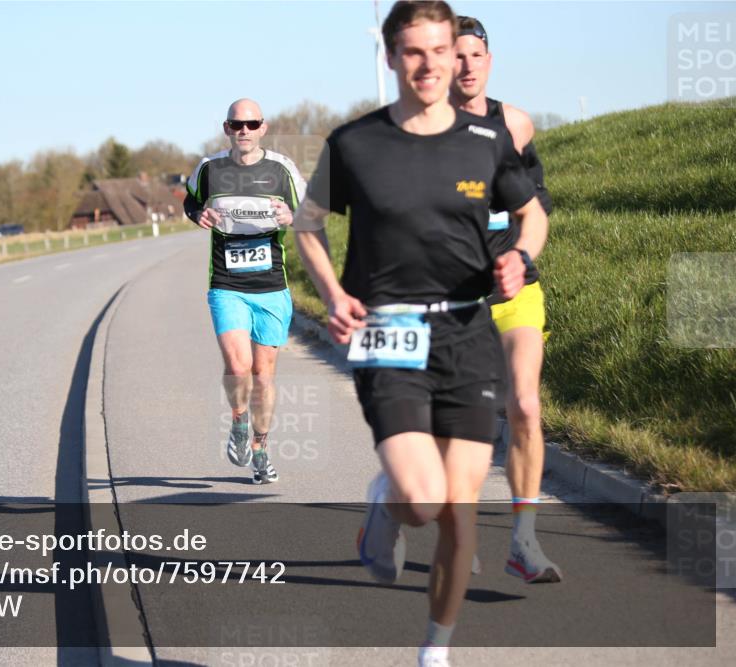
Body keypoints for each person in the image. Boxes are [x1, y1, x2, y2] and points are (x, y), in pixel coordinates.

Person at [292, 2, 546, 665]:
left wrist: (519, 256)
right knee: (425, 501)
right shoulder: (353, 144)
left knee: (460, 508)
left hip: (467, 333)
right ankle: (388, 499)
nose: (430, 64)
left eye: (441, 50)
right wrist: (334, 293)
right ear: (391, 57)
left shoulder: (487, 141)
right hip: (389, 331)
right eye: (414, 51)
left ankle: (434, 650)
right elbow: (307, 223)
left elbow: (532, 214)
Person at [451, 15, 561, 583]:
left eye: (476, 55)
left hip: (517, 287)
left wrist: (520, 255)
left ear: (489, 60)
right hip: (454, 299)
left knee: (524, 406)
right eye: (456, 55)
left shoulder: (515, 124)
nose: (466, 66)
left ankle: (523, 541)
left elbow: (535, 209)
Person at [184, 99, 307, 485]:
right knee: (238, 368)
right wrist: (198, 214)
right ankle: (238, 422)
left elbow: (310, 212)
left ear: (263, 127)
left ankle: (261, 449)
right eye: (237, 125)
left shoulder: (282, 169)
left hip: (272, 287)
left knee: (263, 376)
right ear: (226, 128)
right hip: (227, 285)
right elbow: (191, 202)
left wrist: (293, 217)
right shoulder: (209, 168)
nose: (244, 131)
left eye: (251, 124)